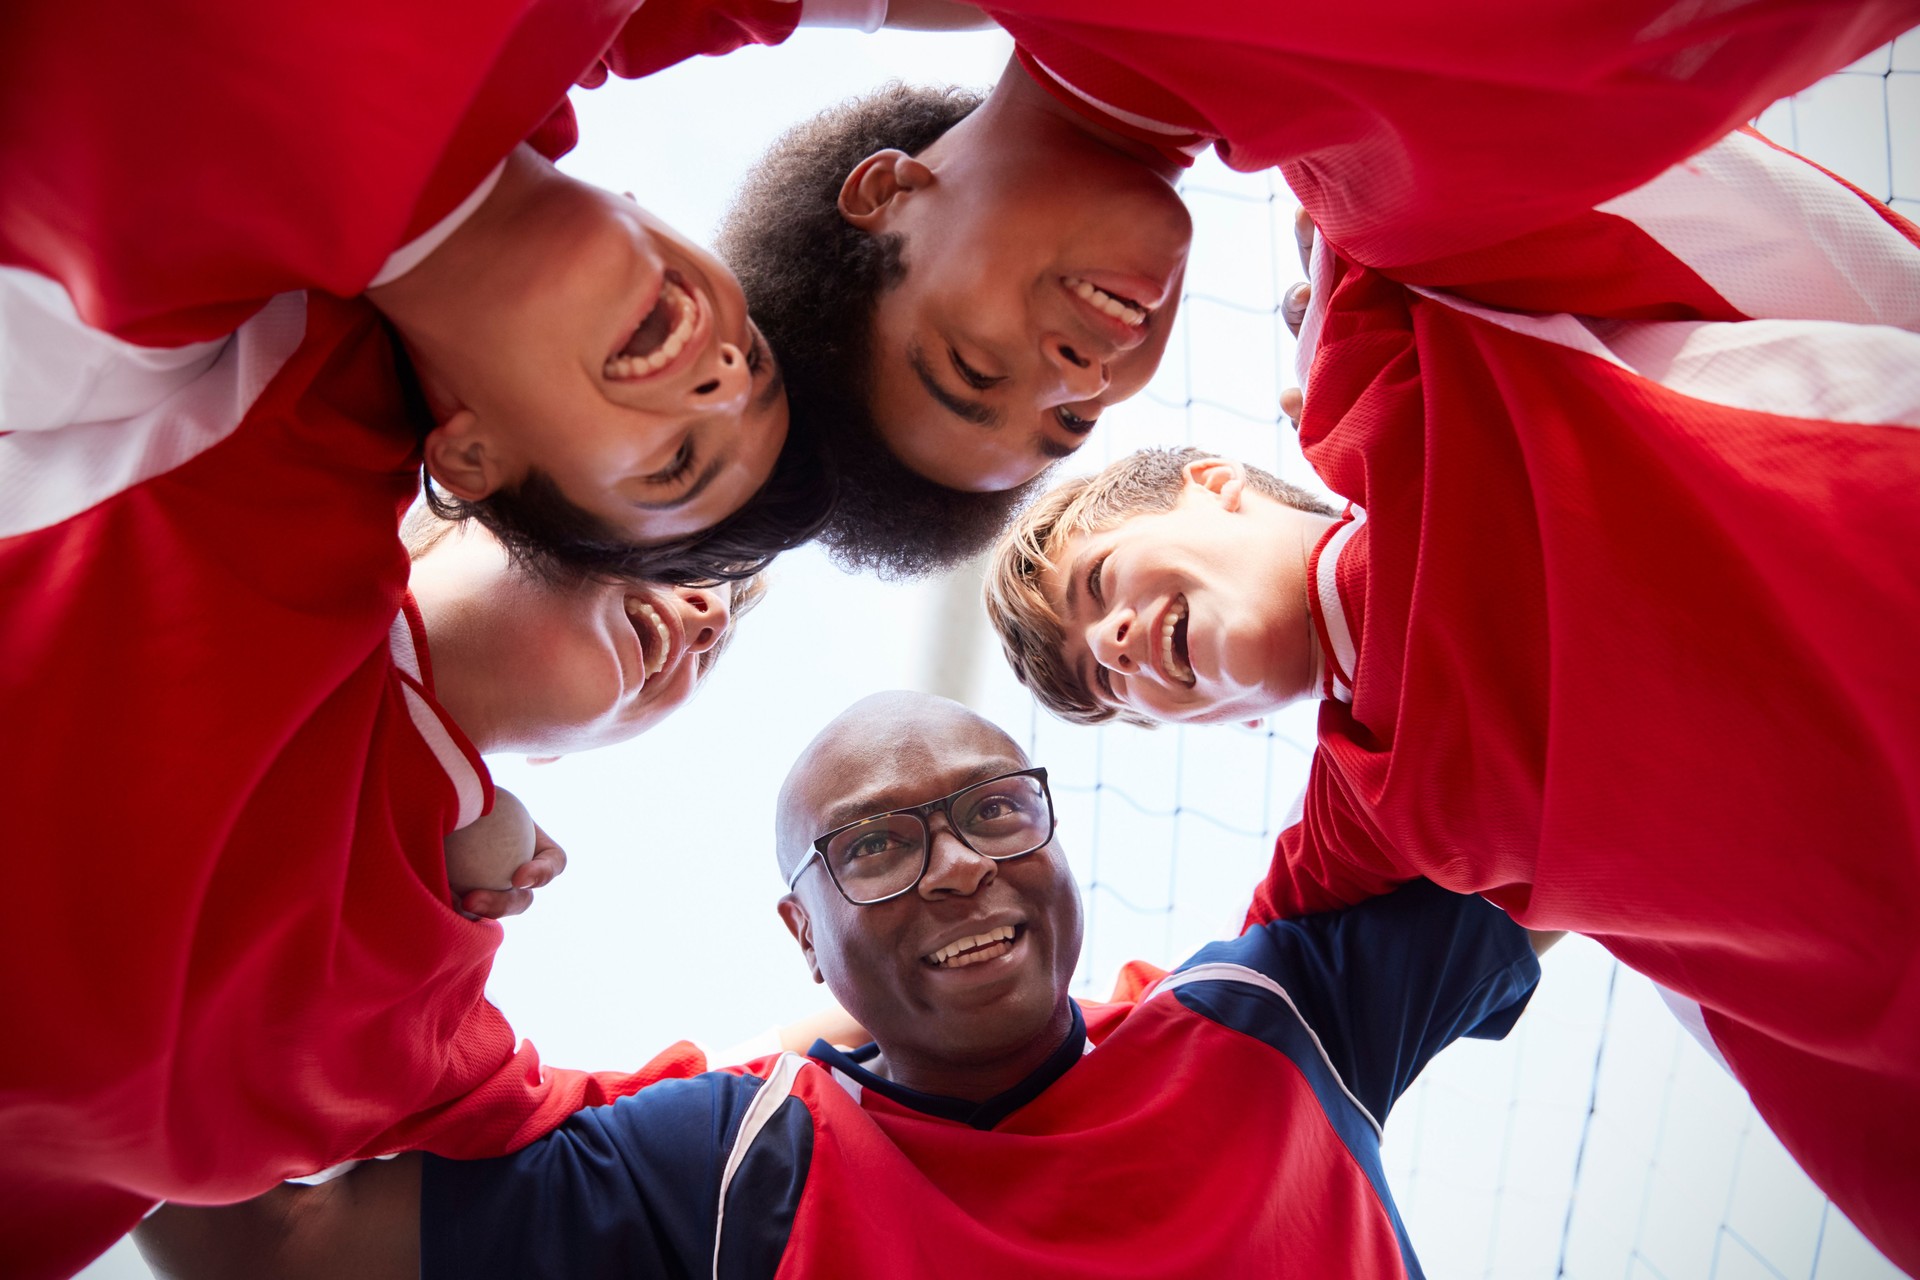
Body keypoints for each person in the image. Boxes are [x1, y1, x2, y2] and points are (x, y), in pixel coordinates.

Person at [981, 167, 1920, 1264]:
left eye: (1100, 585)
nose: (1115, 646)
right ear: (1220, 725)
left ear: (1215, 484)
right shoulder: (1376, 809)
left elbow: (1369, 130)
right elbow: (1197, 1024)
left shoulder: (1391, 377)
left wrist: (1330, 247)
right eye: (1108, 691)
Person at [131, 691, 1552, 1279]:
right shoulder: (730, 1160)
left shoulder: (1274, 1016)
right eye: (872, 844)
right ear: (800, 933)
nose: (951, 866)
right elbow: (261, 1246)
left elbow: (1564, 810)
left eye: (995, 809)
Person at [716, 2, 1920, 575]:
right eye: (1070, 421)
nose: (1078, 374)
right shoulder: (1414, 211)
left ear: (885, 191)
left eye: (977, 368)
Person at [0, 475, 760, 1280]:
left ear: (563, 753)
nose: (708, 616)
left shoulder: (423, 1004)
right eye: (686, 554)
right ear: (476, 483)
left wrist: (871, 1014)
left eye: (713, 641)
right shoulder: (270, 518)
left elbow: (653, 1130)